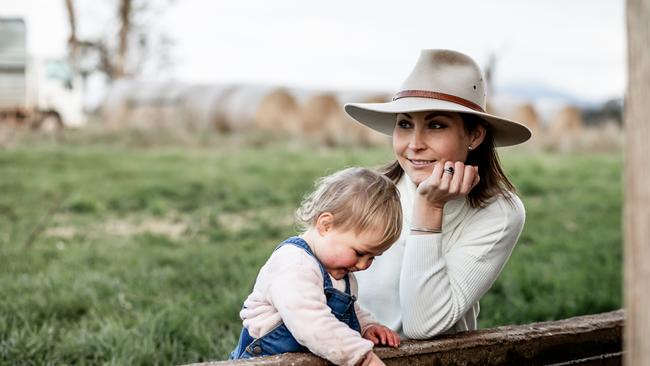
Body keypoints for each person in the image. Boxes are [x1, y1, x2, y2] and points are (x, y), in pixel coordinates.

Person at [344, 49, 532, 339]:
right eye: (405, 124)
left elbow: (423, 324)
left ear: (474, 135)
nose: (415, 144)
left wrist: (430, 209)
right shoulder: (366, 191)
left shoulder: (499, 211)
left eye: (435, 125)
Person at [230, 167, 403, 366]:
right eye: (360, 253)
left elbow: (348, 309)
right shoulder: (294, 264)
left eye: (373, 257)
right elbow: (312, 324)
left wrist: (366, 325)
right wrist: (361, 356)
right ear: (326, 225)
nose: (364, 265)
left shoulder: (339, 271)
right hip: (266, 361)